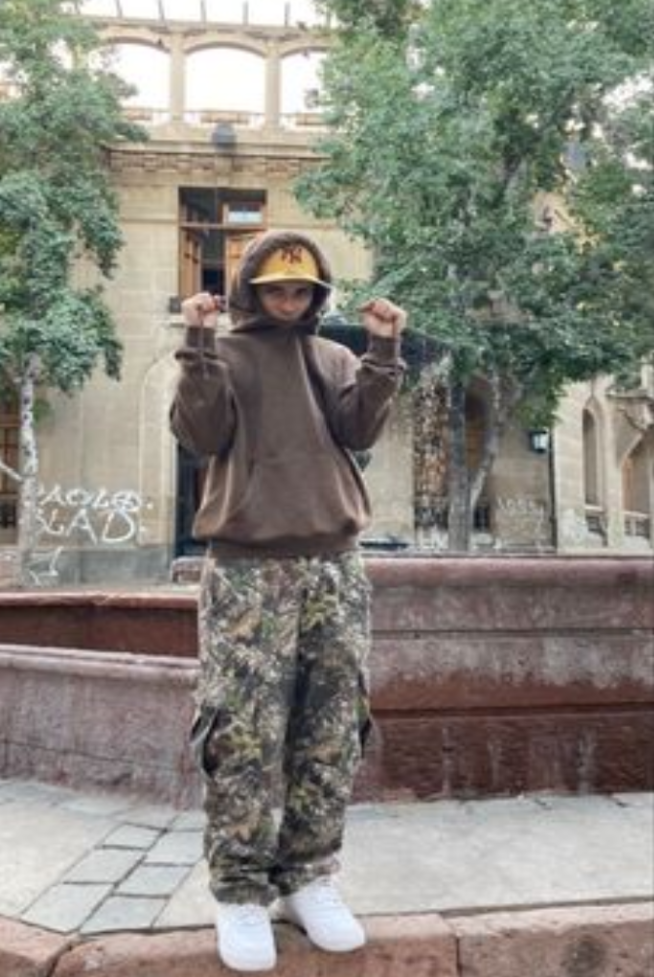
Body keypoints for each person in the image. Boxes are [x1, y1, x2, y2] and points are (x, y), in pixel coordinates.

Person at [170, 229, 407, 972]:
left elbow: (361, 429)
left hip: (335, 564)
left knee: (332, 727)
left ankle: (308, 878)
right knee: (242, 732)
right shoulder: (225, 354)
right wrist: (197, 343)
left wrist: (383, 351)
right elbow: (200, 432)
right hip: (247, 566)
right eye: (276, 288)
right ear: (252, 289)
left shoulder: (333, 358)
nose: (289, 299)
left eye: (301, 289)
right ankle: (240, 890)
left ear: (317, 294)